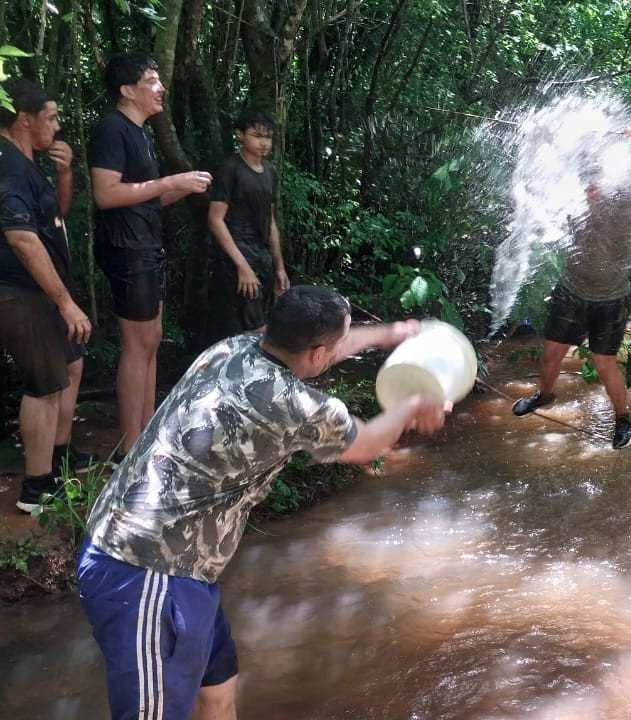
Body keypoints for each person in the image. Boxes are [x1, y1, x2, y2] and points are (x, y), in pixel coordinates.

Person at [77, 284, 450, 720]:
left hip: (179, 564)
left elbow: (323, 345)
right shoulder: (295, 405)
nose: (343, 346)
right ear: (318, 354)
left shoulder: (231, 348)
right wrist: (412, 405)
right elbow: (366, 443)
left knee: (217, 693)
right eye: (340, 342)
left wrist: (388, 334)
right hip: (143, 568)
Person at [510, 125, 631, 449]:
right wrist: (547, 138)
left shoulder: (624, 196)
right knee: (550, 356)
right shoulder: (571, 194)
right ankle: (545, 395)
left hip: (610, 299)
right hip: (571, 290)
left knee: (603, 363)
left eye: (595, 184)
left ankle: (623, 419)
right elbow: (553, 168)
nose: (589, 191)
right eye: (585, 185)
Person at [89, 51, 213, 457]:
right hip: (126, 249)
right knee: (137, 344)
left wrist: (180, 188)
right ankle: (131, 448)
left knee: (152, 340)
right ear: (128, 91)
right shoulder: (112, 129)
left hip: (145, 245)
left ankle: (146, 434)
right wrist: (170, 182)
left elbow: (142, 197)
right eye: (151, 81)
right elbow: (106, 195)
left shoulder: (140, 133)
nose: (161, 88)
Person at [0, 77, 96, 513]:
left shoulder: (26, 162)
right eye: (51, 118)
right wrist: (65, 302)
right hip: (21, 291)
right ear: (24, 119)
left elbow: (56, 215)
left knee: (70, 366)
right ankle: (37, 488)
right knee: (44, 385)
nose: (57, 127)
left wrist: (65, 173)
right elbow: (21, 239)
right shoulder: (9, 166)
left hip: (41, 290)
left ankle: (59, 456)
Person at [207, 107, 290, 336]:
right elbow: (215, 219)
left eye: (268, 137)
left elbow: (270, 220)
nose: (263, 142)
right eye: (256, 135)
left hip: (262, 256)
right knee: (253, 327)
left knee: (265, 320)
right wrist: (242, 266)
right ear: (240, 134)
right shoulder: (231, 169)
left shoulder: (270, 171)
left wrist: (279, 267)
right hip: (237, 254)